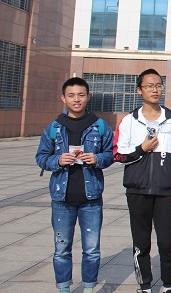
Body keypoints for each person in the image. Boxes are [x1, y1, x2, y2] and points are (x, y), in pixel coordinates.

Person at [35, 77, 115, 293]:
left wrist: (97, 158)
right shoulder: (54, 127)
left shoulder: (99, 126)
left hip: (91, 199)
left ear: (88, 97)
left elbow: (111, 154)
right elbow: (41, 157)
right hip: (62, 198)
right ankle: (64, 288)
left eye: (81, 95)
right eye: (71, 95)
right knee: (61, 249)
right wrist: (58, 160)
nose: (76, 99)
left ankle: (88, 288)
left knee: (92, 249)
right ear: (63, 98)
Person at [113, 69, 171, 293]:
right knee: (141, 242)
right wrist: (141, 149)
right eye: (149, 86)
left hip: (165, 191)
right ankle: (145, 285)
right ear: (139, 90)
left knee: (166, 242)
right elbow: (118, 154)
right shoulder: (129, 121)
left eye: (158, 85)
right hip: (138, 190)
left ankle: (168, 285)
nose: (155, 90)